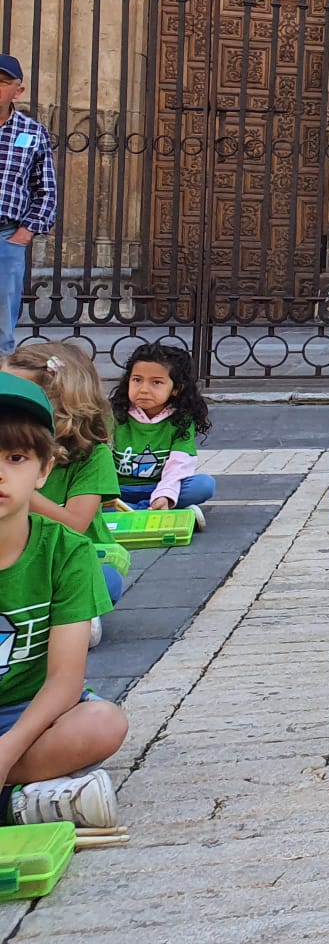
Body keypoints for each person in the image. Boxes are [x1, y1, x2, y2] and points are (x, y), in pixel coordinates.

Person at [0, 373, 128, 828]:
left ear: (43, 470)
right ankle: (17, 804)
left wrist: (7, 751)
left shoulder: (66, 551)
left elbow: (63, 682)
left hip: (26, 712)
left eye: (16, 458)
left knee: (104, 723)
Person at [6, 342, 121, 613]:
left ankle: (73, 614)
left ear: (61, 405)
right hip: (18, 556)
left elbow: (75, 525)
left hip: (70, 555)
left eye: (18, 404)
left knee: (106, 579)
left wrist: (22, 492)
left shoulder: (92, 454)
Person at [109, 343, 215, 527]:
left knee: (204, 485)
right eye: (137, 380)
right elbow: (100, 455)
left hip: (160, 488)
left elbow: (179, 463)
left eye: (156, 382)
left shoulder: (181, 419)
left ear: (176, 388)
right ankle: (157, 512)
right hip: (118, 489)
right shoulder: (114, 414)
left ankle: (137, 511)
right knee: (87, 497)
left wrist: (165, 495)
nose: (143, 389)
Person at [0, 55, 56, 355]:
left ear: (18, 91)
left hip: (6, 237)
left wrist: (25, 233)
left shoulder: (33, 133)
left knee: (1, 326)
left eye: (2, 82)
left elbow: (45, 189)